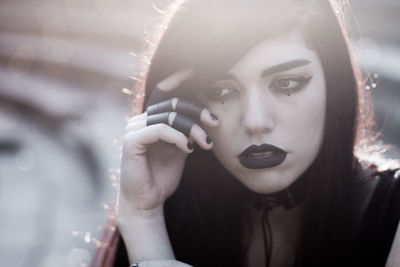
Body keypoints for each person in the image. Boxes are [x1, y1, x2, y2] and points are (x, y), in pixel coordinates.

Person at [112, 0, 400, 266]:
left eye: (287, 84)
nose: (255, 121)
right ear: (185, 102)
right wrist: (144, 217)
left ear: (334, 88)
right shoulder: (173, 212)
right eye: (221, 91)